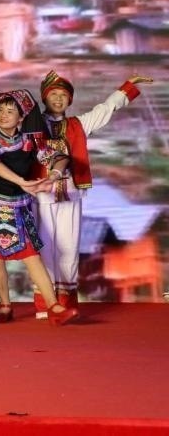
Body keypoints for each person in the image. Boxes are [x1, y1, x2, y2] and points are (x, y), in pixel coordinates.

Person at [31, 71, 153, 317]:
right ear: (44, 98)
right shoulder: (31, 125)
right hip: (41, 193)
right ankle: (46, 303)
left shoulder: (79, 124)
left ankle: (65, 303)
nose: (58, 99)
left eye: (63, 95)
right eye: (53, 94)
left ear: (70, 100)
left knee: (68, 247)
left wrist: (127, 87)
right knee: (45, 247)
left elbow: (105, 109)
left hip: (70, 194)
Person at [0, 90, 78, 326]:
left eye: (10, 111)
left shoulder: (30, 141)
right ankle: (5, 306)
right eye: (0, 110)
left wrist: (54, 175)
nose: (4, 115)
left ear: (21, 117)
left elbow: (60, 157)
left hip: (17, 205)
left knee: (31, 256)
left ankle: (54, 306)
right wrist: (22, 182)